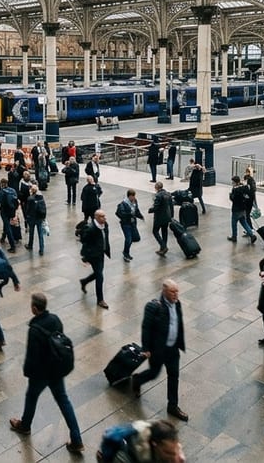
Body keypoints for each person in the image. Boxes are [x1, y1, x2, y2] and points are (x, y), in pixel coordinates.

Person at [7, 292, 85, 454]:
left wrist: (28, 373)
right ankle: (77, 440)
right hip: (57, 370)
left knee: (31, 396)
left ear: (34, 309)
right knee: (64, 401)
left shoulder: (34, 329)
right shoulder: (55, 319)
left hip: (42, 374)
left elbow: (32, 357)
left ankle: (25, 425)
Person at [131, 280, 188, 422]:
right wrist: (146, 349)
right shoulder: (153, 306)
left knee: (174, 376)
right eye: (172, 292)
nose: (176, 295)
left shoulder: (178, 304)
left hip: (173, 349)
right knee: (154, 373)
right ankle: (137, 380)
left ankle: (173, 406)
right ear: (164, 291)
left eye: (177, 291)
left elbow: (178, 323)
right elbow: (146, 327)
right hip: (158, 349)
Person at [97, 419, 185, 463]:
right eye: (168, 453)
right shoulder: (134, 455)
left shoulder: (163, 434)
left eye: (174, 452)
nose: (174, 458)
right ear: (155, 445)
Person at [79, 209, 111, 309]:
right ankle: (100, 300)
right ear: (96, 217)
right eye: (102, 216)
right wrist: (86, 256)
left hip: (101, 254)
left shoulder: (105, 225)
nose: (104, 218)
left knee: (98, 274)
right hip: (93, 256)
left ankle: (84, 281)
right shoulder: (91, 228)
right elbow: (84, 241)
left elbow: (105, 238)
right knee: (100, 276)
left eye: (104, 216)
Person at [116, 189, 145, 262]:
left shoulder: (135, 201)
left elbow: (136, 210)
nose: (134, 198)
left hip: (133, 223)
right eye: (132, 196)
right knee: (128, 239)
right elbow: (121, 214)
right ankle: (126, 253)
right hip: (126, 224)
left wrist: (141, 216)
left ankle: (126, 249)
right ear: (129, 196)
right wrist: (130, 214)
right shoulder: (123, 204)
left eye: (134, 196)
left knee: (135, 238)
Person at [149, 181, 173, 257]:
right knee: (164, 232)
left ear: (156, 188)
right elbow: (171, 206)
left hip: (159, 217)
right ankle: (163, 248)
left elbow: (156, 207)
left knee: (155, 231)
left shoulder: (158, 196)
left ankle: (163, 246)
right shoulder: (168, 194)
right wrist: (171, 216)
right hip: (167, 216)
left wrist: (150, 210)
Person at [228, 176, 254, 242]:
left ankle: (234, 236)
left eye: (233, 182)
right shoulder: (244, 187)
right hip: (243, 208)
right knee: (244, 222)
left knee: (234, 223)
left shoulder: (235, 189)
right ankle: (251, 235)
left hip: (236, 209)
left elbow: (233, 199)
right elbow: (248, 196)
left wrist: (230, 195)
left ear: (235, 182)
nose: (232, 183)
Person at [24, 186, 48, 255]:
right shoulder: (41, 198)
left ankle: (30, 245)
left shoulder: (30, 199)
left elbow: (27, 210)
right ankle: (41, 249)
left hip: (32, 218)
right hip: (39, 218)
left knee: (31, 233)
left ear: (31, 191)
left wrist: (27, 218)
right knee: (40, 234)